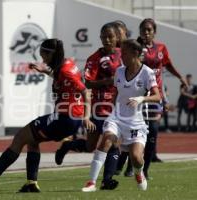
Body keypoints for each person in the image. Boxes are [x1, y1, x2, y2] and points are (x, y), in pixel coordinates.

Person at [0, 38, 96, 193]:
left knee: (20, 137)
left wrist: (87, 117)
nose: (42, 59)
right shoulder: (67, 64)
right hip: (68, 119)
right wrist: (44, 71)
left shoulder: (65, 70)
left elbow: (85, 92)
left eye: (43, 55)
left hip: (65, 118)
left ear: (51, 54)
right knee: (32, 141)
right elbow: (61, 77)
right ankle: (31, 183)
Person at [82, 39, 161, 192]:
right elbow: (117, 93)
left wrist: (142, 98)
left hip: (136, 122)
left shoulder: (147, 73)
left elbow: (158, 96)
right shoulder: (119, 71)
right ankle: (91, 183)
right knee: (105, 141)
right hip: (117, 118)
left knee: (137, 158)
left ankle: (139, 173)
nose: (121, 55)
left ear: (136, 53)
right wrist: (112, 110)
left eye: (124, 53)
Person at [54, 22, 122, 190]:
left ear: (117, 38)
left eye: (110, 37)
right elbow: (88, 84)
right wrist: (107, 81)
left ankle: (107, 180)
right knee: (91, 146)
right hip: (98, 108)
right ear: (100, 38)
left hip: (116, 107)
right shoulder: (94, 59)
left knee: (113, 142)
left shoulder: (124, 55)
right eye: (104, 37)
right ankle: (68, 145)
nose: (107, 40)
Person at [138, 18, 188, 179]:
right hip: (139, 95)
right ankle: (129, 164)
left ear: (154, 32)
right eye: (143, 30)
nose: (146, 32)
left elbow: (168, 64)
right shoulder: (136, 48)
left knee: (152, 131)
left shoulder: (161, 48)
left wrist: (180, 77)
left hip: (155, 95)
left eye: (149, 30)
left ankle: (145, 170)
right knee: (136, 132)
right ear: (140, 32)